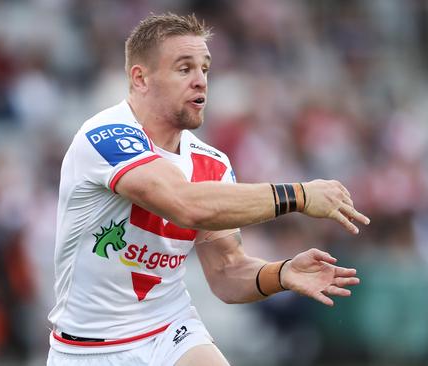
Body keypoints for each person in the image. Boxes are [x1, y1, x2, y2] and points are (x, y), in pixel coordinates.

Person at [46, 13, 370, 366]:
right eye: (184, 69)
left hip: (169, 329)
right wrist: (299, 196)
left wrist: (282, 273)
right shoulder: (105, 136)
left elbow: (227, 273)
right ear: (140, 78)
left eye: (205, 69)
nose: (200, 81)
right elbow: (185, 204)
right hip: (88, 348)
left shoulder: (212, 163)